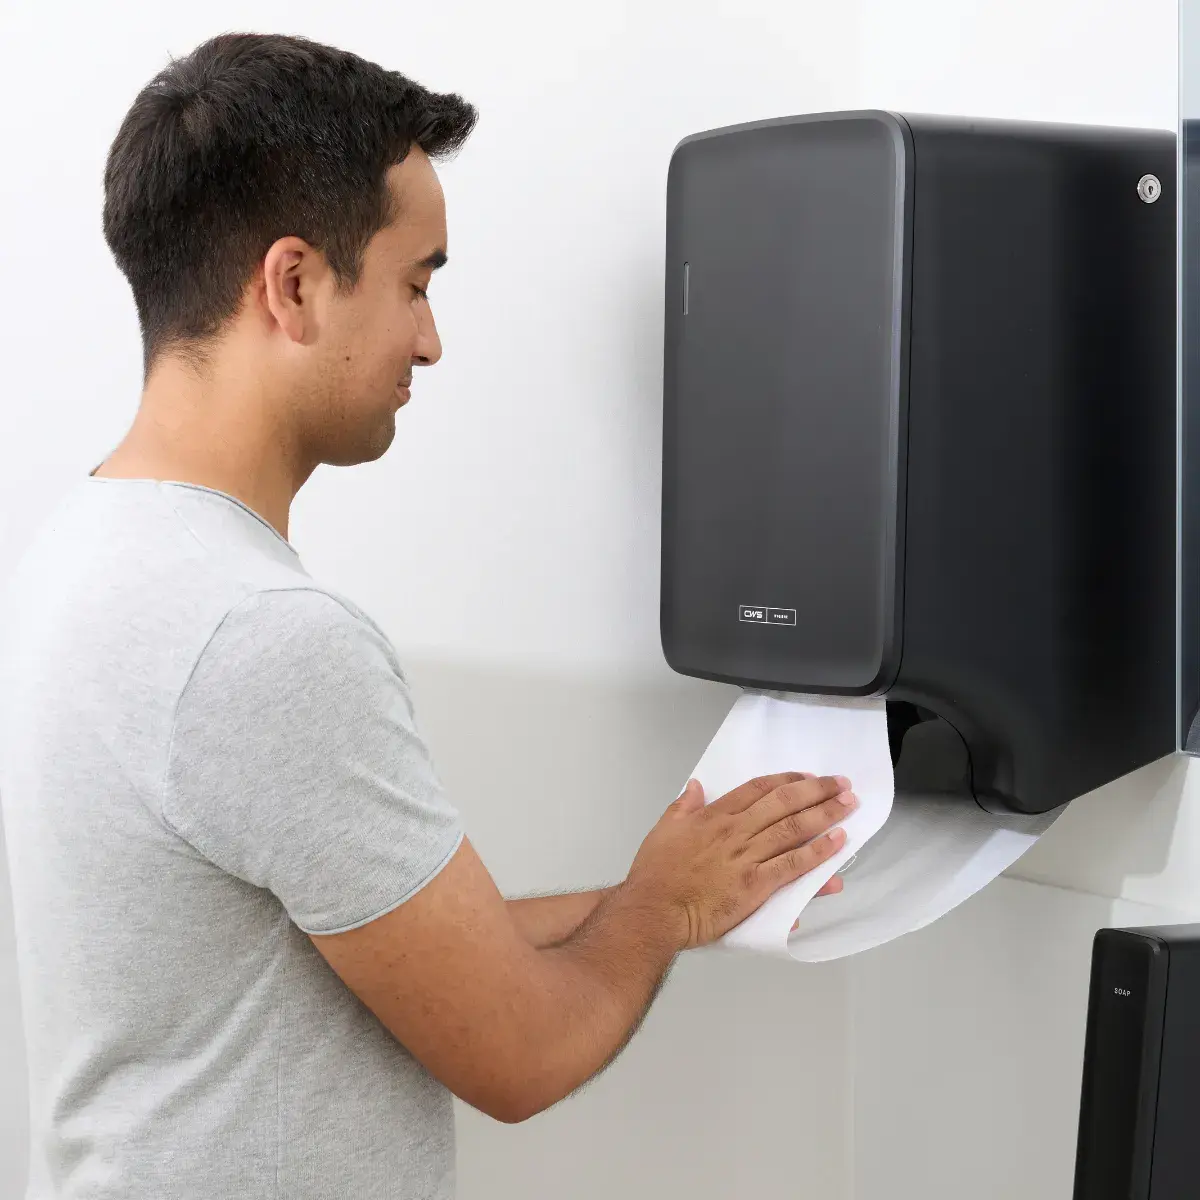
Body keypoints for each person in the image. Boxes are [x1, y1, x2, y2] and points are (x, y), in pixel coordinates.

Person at [0, 32, 855, 1200]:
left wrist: (671, 892)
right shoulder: (261, 640)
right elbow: (522, 1052)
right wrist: (658, 911)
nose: (431, 338)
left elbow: (350, 943)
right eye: (417, 281)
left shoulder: (83, 553)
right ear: (293, 285)